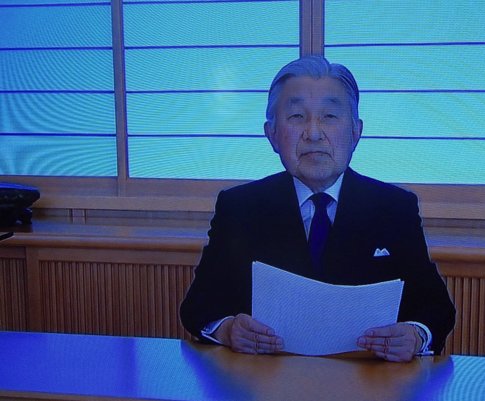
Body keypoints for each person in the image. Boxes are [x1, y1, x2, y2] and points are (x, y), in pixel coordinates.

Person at [180, 56, 455, 362]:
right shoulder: (239, 207)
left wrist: (415, 336)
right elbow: (198, 305)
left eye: (329, 116)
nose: (313, 133)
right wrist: (228, 330)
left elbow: (436, 308)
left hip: (367, 379)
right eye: (297, 116)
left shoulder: (394, 208)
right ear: (272, 134)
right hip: (264, 378)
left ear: (356, 132)